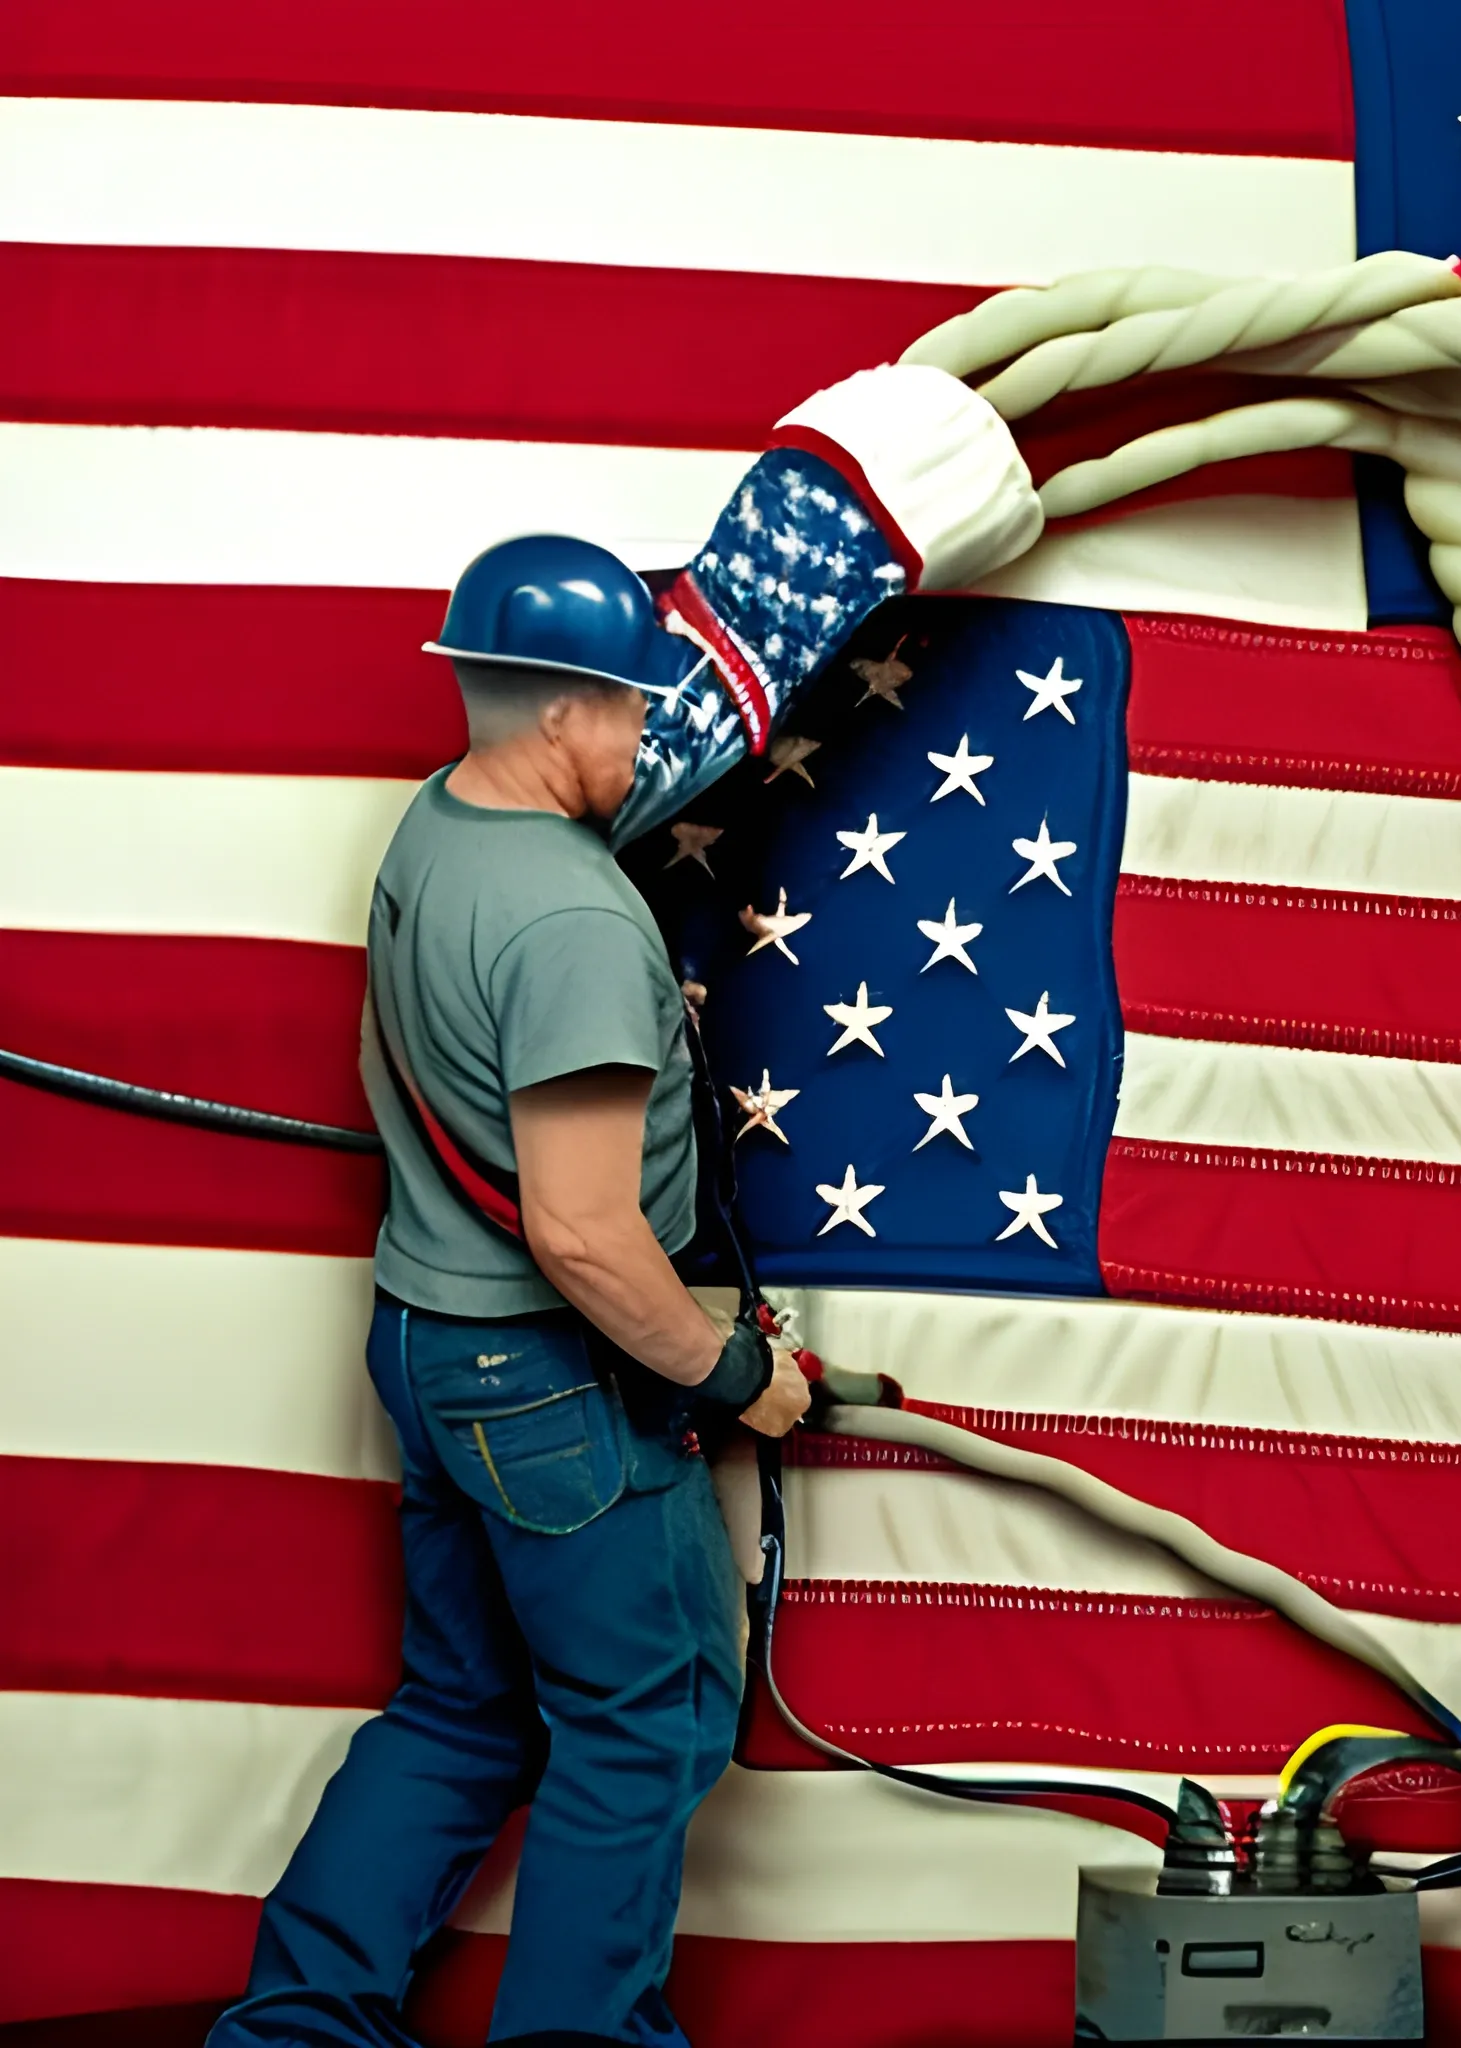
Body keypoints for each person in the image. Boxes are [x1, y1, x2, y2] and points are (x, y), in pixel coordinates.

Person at [207, 367, 1044, 2047]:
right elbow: (584, 1237)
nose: (650, 730)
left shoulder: (438, 834)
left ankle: (295, 2031)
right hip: (546, 1382)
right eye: (629, 704)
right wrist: (735, 1374)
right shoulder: (574, 925)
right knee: (648, 1720)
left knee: (457, 1706)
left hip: (430, 1350)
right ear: (559, 714)